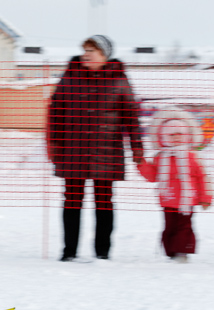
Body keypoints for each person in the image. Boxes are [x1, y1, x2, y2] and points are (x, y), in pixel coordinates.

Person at [47, 35, 144, 262]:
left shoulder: (119, 80)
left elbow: (131, 115)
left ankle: (102, 253)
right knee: (71, 200)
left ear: (105, 56)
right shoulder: (69, 77)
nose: (87, 54)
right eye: (85, 50)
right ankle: (69, 252)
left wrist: (137, 146)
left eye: (93, 50)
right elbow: (55, 112)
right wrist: (54, 142)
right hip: (73, 149)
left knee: (104, 201)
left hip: (106, 150)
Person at [137, 108, 212, 263]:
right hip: (168, 199)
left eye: (180, 134)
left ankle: (182, 252)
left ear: (187, 135)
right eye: (172, 135)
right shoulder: (160, 157)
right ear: (164, 137)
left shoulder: (192, 157)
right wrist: (141, 164)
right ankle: (170, 251)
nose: (176, 138)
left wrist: (206, 197)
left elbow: (202, 177)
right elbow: (152, 176)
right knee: (170, 226)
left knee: (184, 226)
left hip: (187, 201)